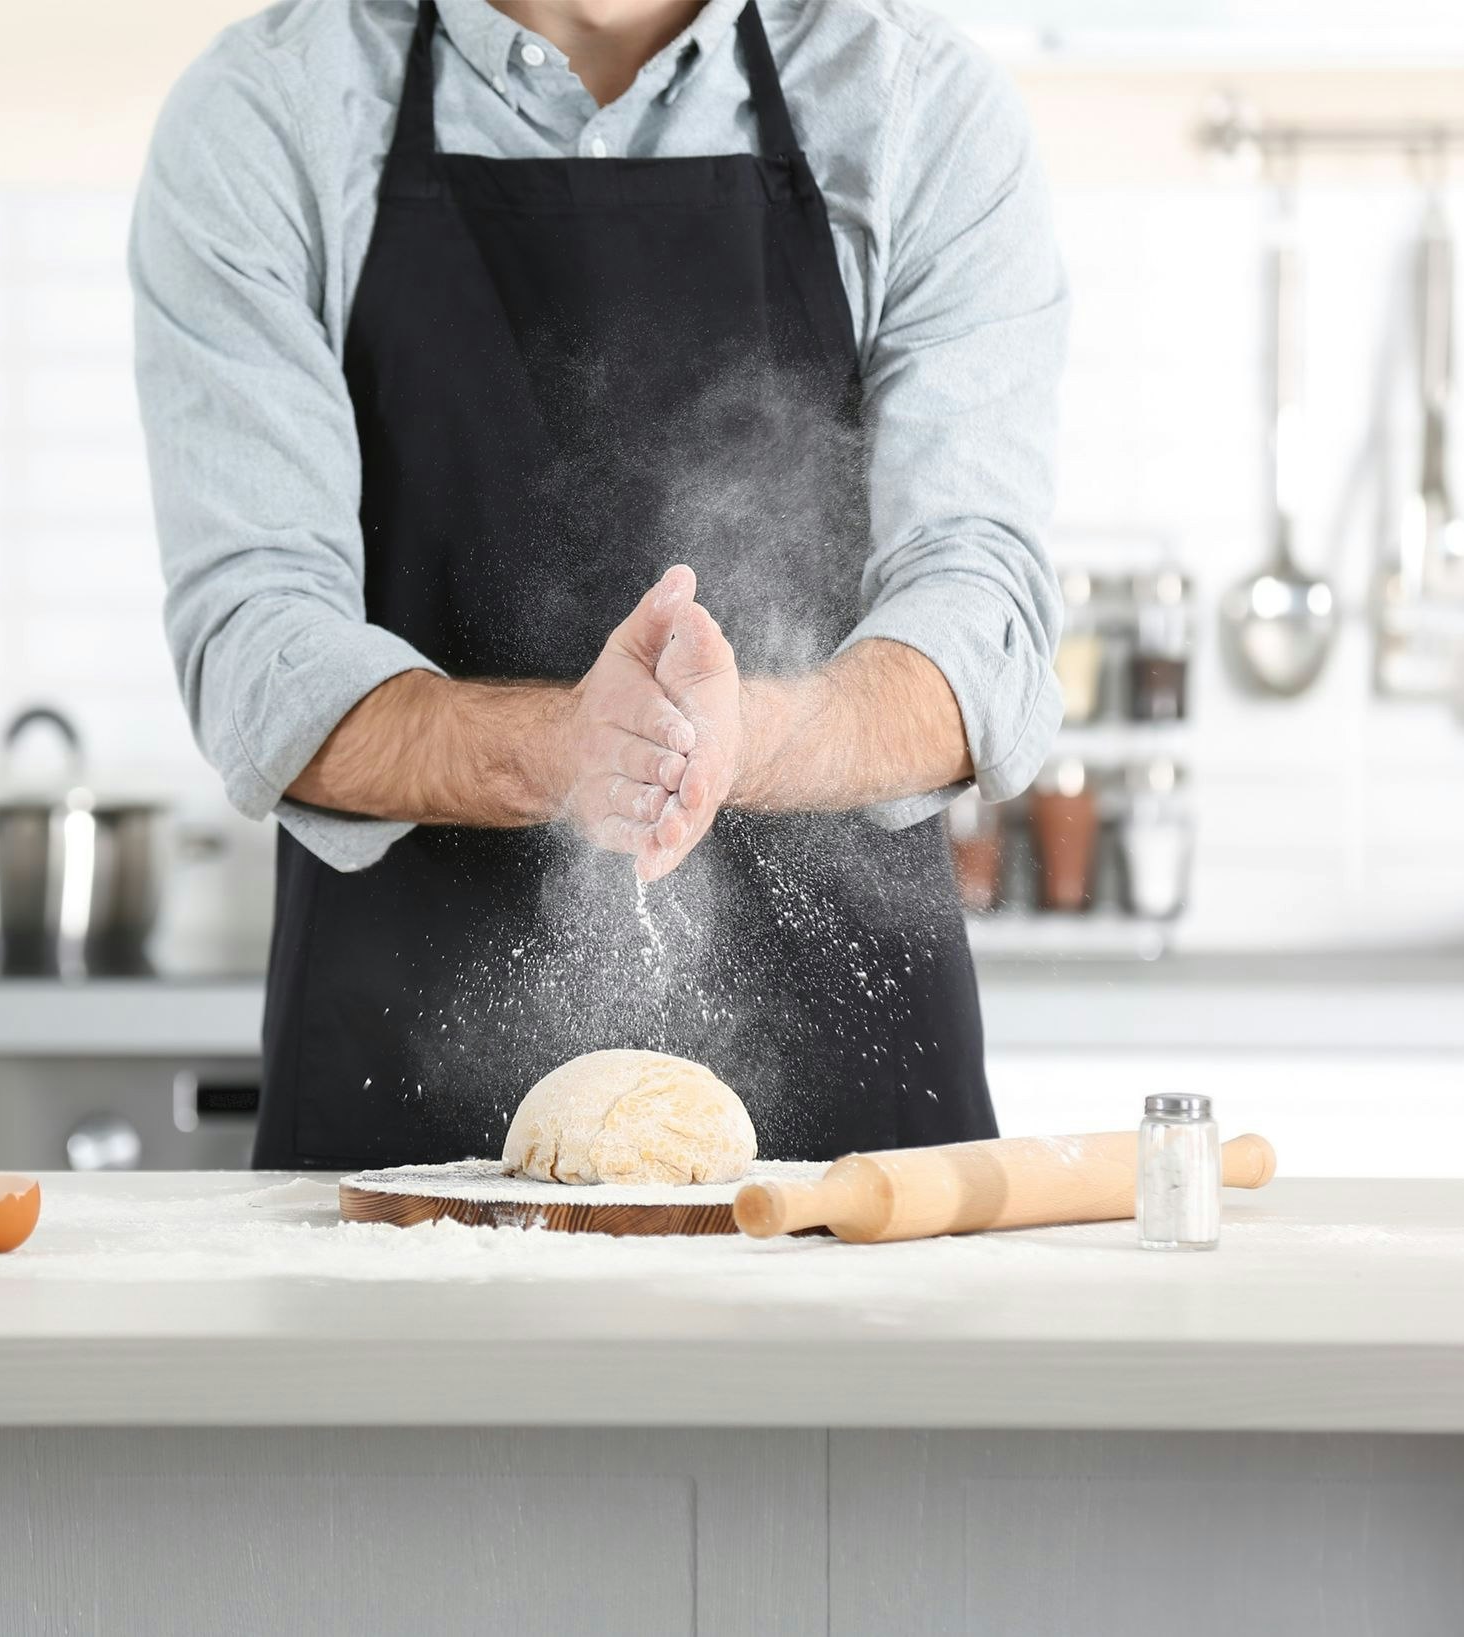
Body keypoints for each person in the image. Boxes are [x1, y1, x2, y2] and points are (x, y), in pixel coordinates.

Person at [132, 0, 1068, 1169]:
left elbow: (983, 626)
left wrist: (738, 740)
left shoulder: (917, 108)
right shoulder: (270, 112)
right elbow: (256, 649)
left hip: (851, 1174)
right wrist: (571, 749)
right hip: (400, 1140)